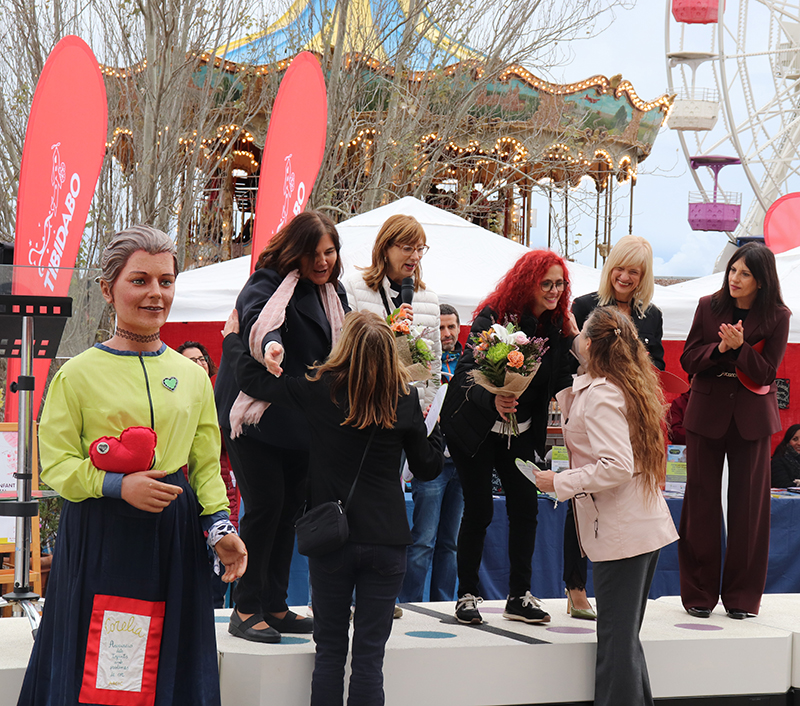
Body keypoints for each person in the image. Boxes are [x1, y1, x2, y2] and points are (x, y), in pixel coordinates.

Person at [17, 226, 247, 706]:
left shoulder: (192, 376)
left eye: (166, 281)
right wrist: (117, 485)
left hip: (175, 541)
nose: (155, 294)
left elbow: (206, 466)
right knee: (104, 670)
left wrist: (219, 527)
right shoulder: (76, 375)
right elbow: (55, 465)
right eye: (139, 280)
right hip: (102, 539)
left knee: (170, 663)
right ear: (108, 289)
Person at [223, 309, 443, 706]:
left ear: (344, 346)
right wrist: (436, 430)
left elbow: (253, 380)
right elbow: (427, 467)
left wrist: (233, 340)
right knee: (369, 659)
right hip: (387, 539)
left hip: (332, 538)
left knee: (330, 653)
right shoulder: (404, 397)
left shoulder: (321, 388)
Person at [533, 307, 678, 706]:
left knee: (616, 648)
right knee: (624, 645)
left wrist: (558, 481)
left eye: (580, 332)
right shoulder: (620, 384)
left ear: (592, 343)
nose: (574, 336)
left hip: (623, 534)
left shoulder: (603, 394)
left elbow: (616, 466)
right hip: (635, 530)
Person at [215, 210, 349, 642]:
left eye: (329, 252)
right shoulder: (268, 282)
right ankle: (246, 607)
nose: (323, 261)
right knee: (266, 505)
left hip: (303, 418)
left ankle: (274, 603)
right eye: (314, 253)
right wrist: (271, 347)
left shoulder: (334, 292)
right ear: (296, 251)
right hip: (256, 413)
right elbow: (258, 322)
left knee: (290, 508)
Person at [441, 249, 576, 625]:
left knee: (525, 510)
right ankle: (467, 594)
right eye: (545, 283)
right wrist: (494, 398)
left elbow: (564, 378)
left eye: (559, 284)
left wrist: (575, 335)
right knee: (480, 508)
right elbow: (467, 370)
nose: (553, 290)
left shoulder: (556, 328)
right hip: (477, 429)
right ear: (527, 282)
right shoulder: (494, 317)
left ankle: (519, 596)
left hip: (522, 434)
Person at [679, 242, 790, 619]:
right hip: (706, 412)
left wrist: (741, 348)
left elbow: (767, 372)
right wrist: (719, 350)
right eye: (732, 271)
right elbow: (688, 358)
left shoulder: (778, 315)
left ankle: (742, 599)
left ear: (761, 281)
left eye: (744, 274)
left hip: (752, 418)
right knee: (700, 505)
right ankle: (698, 595)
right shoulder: (708, 305)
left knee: (749, 510)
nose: (735, 279)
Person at [565, 235, 665, 619]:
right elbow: (568, 360)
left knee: (624, 495)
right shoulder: (586, 306)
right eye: (619, 268)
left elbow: (653, 366)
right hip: (592, 414)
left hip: (631, 419)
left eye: (634, 271)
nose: (625, 277)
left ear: (644, 276)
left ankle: (621, 590)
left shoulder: (651, 315)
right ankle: (575, 585)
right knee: (582, 492)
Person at [399, 303, 464, 603]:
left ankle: (443, 604)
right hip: (433, 460)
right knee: (423, 540)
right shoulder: (424, 363)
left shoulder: (469, 362)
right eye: (441, 328)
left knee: (450, 543)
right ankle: (411, 604)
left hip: (462, 462)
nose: (447, 333)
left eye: (452, 327)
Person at [343, 213, 442, 408]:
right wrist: (388, 326)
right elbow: (346, 351)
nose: (415, 257)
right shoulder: (354, 287)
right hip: (369, 407)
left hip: (413, 411)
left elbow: (435, 365)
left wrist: (427, 408)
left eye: (420, 249)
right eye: (407, 248)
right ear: (385, 248)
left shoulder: (429, 298)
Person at [179, 340, 241, 608]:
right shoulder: (174, 402)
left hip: (223, 494)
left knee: (227, 576)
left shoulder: (222, 397)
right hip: (183, 497)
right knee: (200, 584)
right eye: (190, 361)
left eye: (201, 359)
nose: (198, 364)